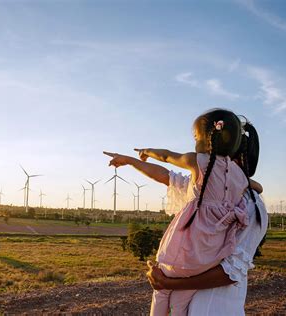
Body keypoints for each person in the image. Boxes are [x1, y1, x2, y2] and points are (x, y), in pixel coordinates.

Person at [104, 109, 261, 315]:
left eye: (195, 137)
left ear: (208, 139)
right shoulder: (240, 180)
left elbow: (167, 157)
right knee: (180, 300)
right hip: (206, 257)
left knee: (161, 292)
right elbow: (257, 186)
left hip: (183, 251)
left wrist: (146, 152)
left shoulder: (199, 163)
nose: (194, 142)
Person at [146, 117, 267, 315]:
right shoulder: (206, 190)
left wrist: (170, 282)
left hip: (216, 308)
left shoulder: (252, 206)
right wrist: (133, 160)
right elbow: (169, 177)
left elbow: (231, 272)